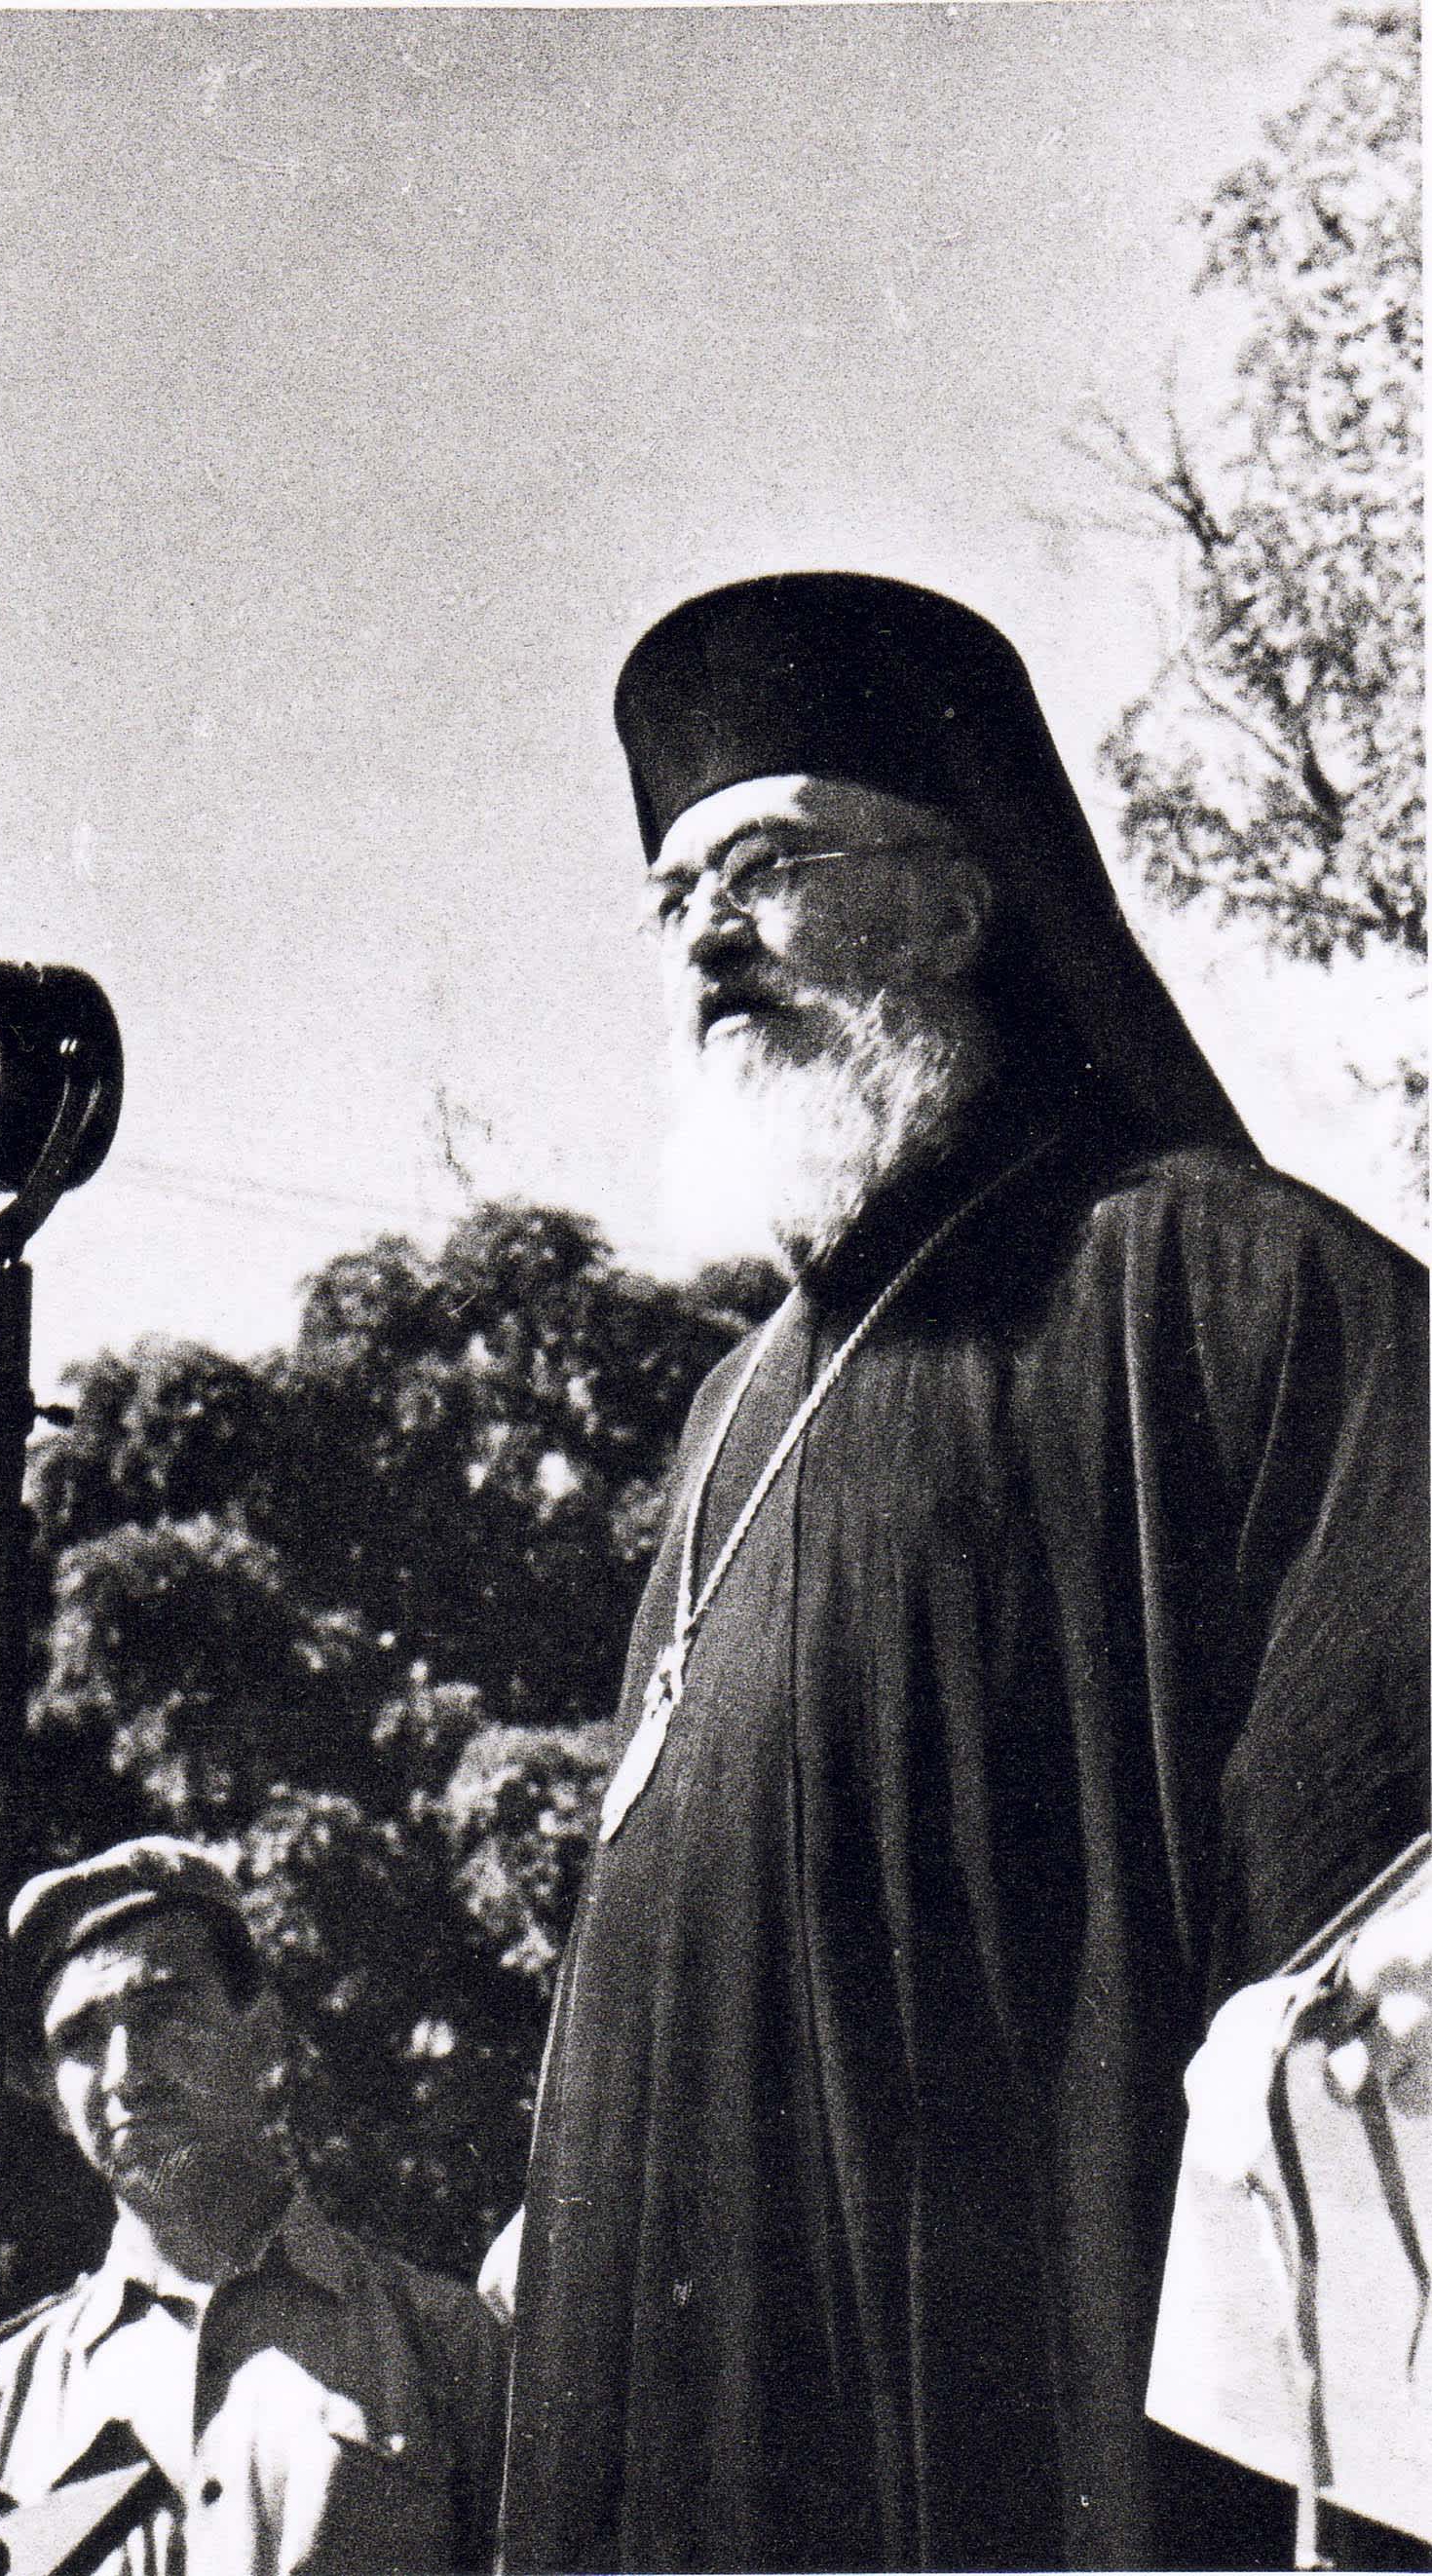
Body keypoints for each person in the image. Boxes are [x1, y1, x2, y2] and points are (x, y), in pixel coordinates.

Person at [498, 573, 1430, 2574]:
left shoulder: (1216, 1285)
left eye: (762, 865)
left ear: (950, 907)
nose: (707, 941)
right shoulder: (723, 1424)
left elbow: (1382, 1883)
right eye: (671, 902)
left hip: (1048, 2426)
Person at [0, 1835, 508, 2576]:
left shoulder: (443, 2344)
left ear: (261, 2031)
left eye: (163, 2012)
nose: (124, 2073)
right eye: (78, 2039)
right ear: (47, 2093)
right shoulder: (3, 2402)